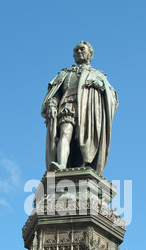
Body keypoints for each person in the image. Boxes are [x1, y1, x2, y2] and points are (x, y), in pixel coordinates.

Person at [41, 41, 118, 174]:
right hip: (68, 106)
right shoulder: (64, 74)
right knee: (65, 132)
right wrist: (52, 105)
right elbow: (54, 94)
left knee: (83, 141)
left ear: (90, 54)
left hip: (88, 113)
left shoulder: (98, 75)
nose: (79, 52)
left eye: (82, 49)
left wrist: (100, 87)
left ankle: (85, 166)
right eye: (76, 50)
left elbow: (113, 98)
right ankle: (61, 165)